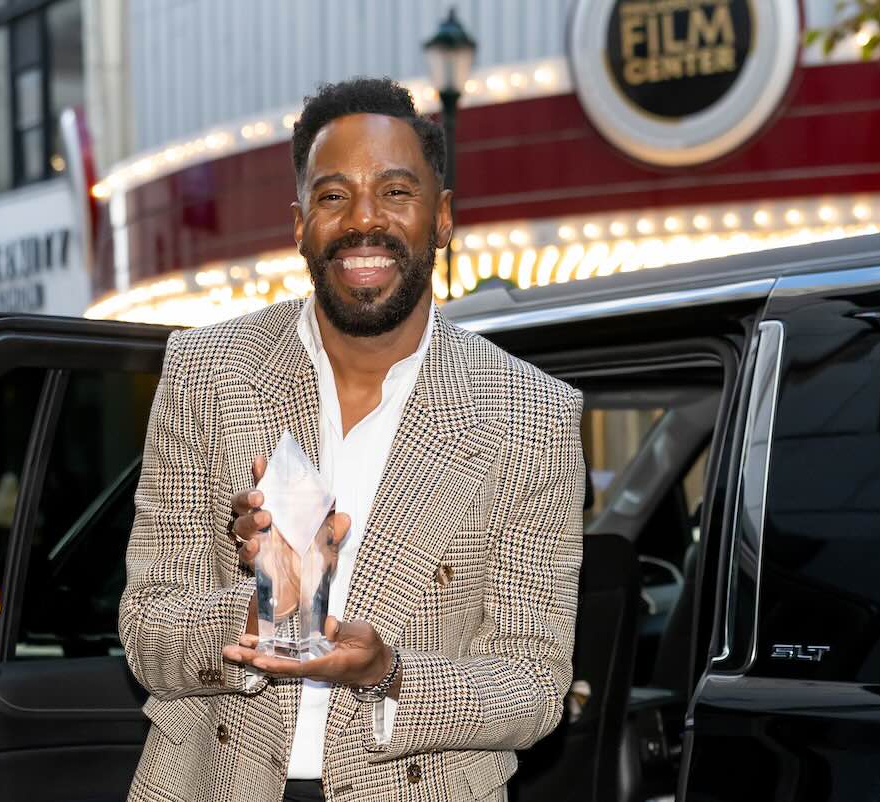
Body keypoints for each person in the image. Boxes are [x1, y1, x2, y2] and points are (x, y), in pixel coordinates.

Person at [119, 77, 584, 802]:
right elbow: (147, 632)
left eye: (396, 192)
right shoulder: (206, 372)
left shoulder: (532, 415)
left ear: (442, 218)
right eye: (334, 196)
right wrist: (263, 609)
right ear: (300, 225)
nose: (364, 220)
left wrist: (388, 674)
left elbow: (534, 685)